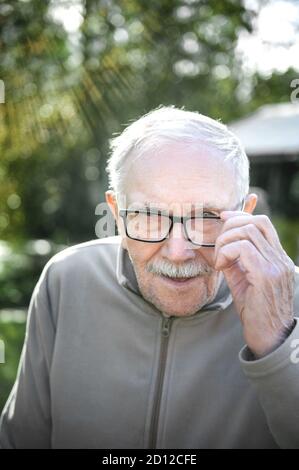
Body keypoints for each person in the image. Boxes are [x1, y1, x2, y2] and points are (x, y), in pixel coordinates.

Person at [0, 106, 299, 449]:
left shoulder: (291, 297)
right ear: (116, 213)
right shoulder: (66, 280)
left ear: (245, 213)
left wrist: (279, 342)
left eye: (205, 217)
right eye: (149, 216)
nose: (177, 251)